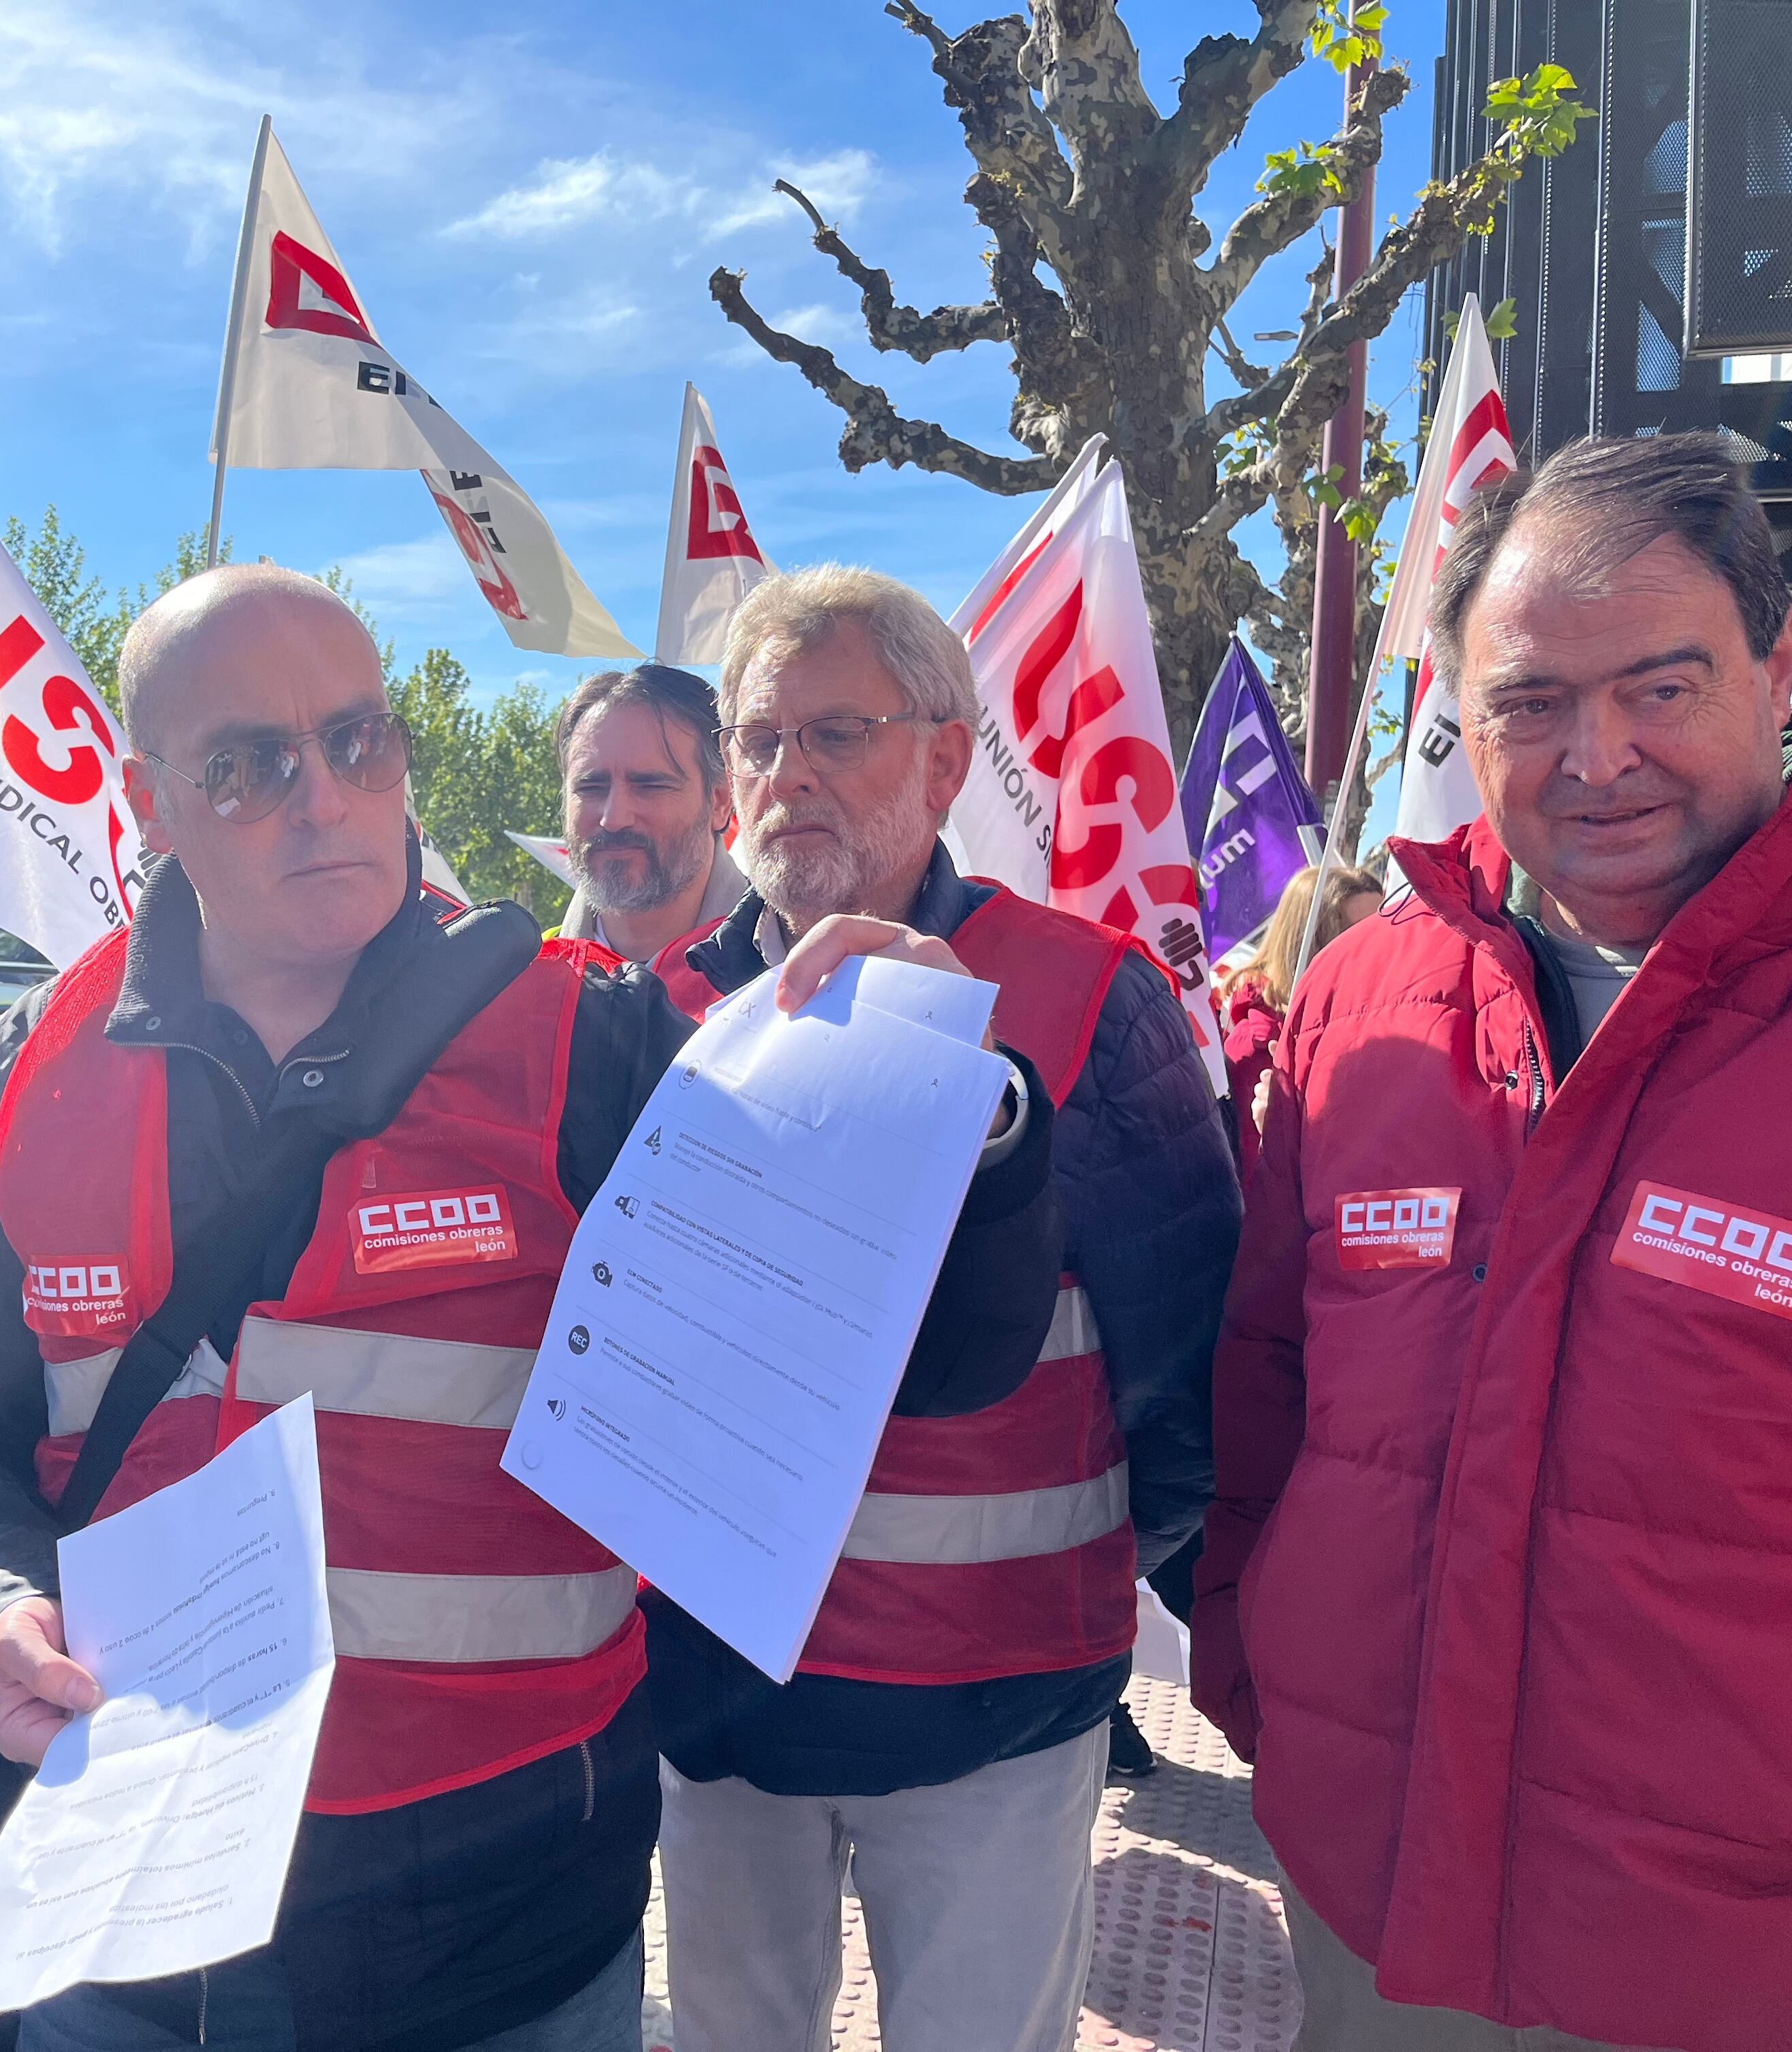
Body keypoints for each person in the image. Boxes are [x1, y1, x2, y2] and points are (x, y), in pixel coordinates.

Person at [0, 563, 1064, 2052]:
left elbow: (936, 1362)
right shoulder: (30, 1072)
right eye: (250, 765)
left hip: (505, 1940)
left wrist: (962, 1121)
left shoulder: (590, 1034)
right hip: (129, 1929)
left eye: (360, 740)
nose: (326, 799)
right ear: (149, 801)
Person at [1193, 434, 1792, 2052]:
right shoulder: (1359, 1001)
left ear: (1779, 663)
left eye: (1661, 687)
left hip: (1738, 1948)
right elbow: (1269, 1379)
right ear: (1461, 719)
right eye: (1530, 703)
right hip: (1370, 1881)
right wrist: (1257, 1674)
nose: (1598, 757)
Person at [645, 565, 1238, 2052]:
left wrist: (1088, 1595)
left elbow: (1185, 1359)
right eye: (759, 741)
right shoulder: (658, 1009)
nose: (788, 775)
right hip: (721, 1700)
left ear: (948, 757)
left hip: (997, 1705)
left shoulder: (1091, 996)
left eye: (836, 733)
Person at [552, 662, 746, 968]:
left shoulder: (804, 972)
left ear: (720, 801)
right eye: (591, 787)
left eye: (650, 785)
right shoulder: (519, 980)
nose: (614, 819)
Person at [1222, 862, 1379, 1163]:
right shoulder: (1255, 1049)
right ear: (1317, 946)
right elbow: (1265, 1178)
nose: (1384, 950)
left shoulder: (1381, 1019)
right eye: (1363, 937)